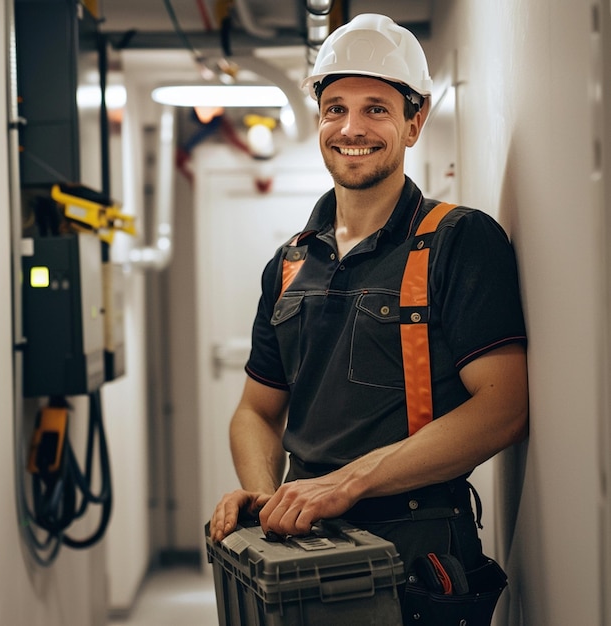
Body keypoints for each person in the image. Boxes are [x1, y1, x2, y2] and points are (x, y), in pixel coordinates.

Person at [210, 11, 528, 616]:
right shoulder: (288, 263)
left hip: (415, 555)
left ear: (415, 122)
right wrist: (261, 494)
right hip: (303, 551)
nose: (351, 127)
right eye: (336, 108)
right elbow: (256, 410)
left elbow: (504, 407)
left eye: (376, 108)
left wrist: (346, 482)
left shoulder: (458, 240)